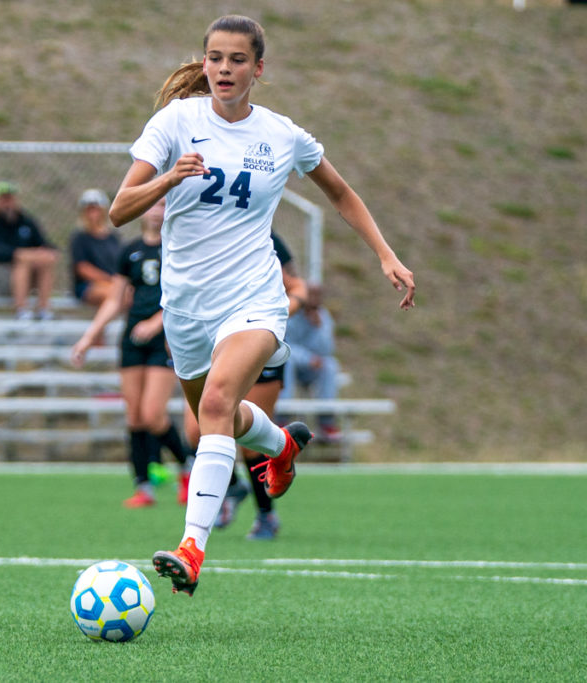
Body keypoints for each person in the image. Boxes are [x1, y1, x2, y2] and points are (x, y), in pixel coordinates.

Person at [109, 15, 415, 596]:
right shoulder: (175, 122)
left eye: (237, 59)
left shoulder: (281, 135)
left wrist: (385, 255)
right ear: (204, 63)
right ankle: (281, 444)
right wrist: (169, 178)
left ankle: (192, 547)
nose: (225, 69)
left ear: (259, 68)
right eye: (215, 58)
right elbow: (121, 208)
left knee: (220, 400)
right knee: (210, 420)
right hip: (186, 306)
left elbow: (341, 192)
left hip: (253, 296)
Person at [71, 199, 191, 508]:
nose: (156, 210)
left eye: (164, 205)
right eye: (152, 205)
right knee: (135, 417)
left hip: (164, 338)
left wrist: (156, 322)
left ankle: (186, 466)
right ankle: (143, 487)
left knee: (153, 414)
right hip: (131, 339)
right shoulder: (130, 251)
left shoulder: (181, 247)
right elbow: (114, 299)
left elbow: (187, 294)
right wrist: (88, 337)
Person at [189, 232, 309, 540]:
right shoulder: (197, 229)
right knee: (194, 430)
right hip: (216, 343)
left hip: (255, 338)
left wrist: (278, 316)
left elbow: (297, 288)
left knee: (248, 443)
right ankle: (232, 487)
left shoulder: (259, 232)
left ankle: (266, 514)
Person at [0, 181, 59, 321]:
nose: (7, 203)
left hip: (25, 277)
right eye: (3, 199)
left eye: (10, 198)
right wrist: (19, 254)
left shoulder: (26, 222)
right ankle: (21, 309)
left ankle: (44, 309)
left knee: (44, 260)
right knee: (22, 261)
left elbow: (44, 244)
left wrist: (46, 253)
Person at [281, 281, 342, 443]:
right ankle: (282, 418)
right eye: (311, 295)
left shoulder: (323, 317)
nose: (314, 300)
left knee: (330, 365)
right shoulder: (291, 314)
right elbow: (285, 345)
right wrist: (308, 359)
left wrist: (318, 327)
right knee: (286, 361)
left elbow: (327, 349)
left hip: (312, 369)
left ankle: (326, 422)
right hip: (292, 364)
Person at [70, 189, 123, 309]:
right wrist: (110, 280)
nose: (93, 214)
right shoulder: (80, 238)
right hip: (89, 285)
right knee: (113, 294)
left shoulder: (113, 237)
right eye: (89, 209)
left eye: (96, 209)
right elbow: (82, 268)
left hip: (113, 282)